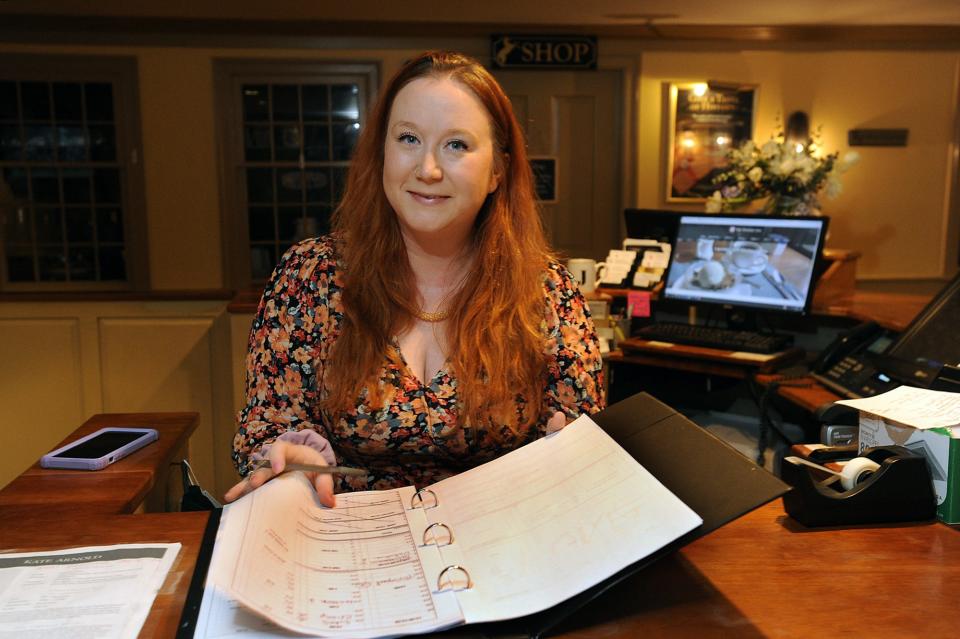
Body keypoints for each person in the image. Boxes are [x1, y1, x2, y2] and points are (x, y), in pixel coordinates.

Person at [226, 51, 604, 507]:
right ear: (381, 151)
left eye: (457, 145)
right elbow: (267, 423)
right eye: (408, 138)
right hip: (346, 542)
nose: (427, 169)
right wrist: (290, 458)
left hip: (499, 545)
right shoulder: (310, 276)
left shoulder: (548, 291)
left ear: (498, 171)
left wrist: (571, 453)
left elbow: (584, 439)